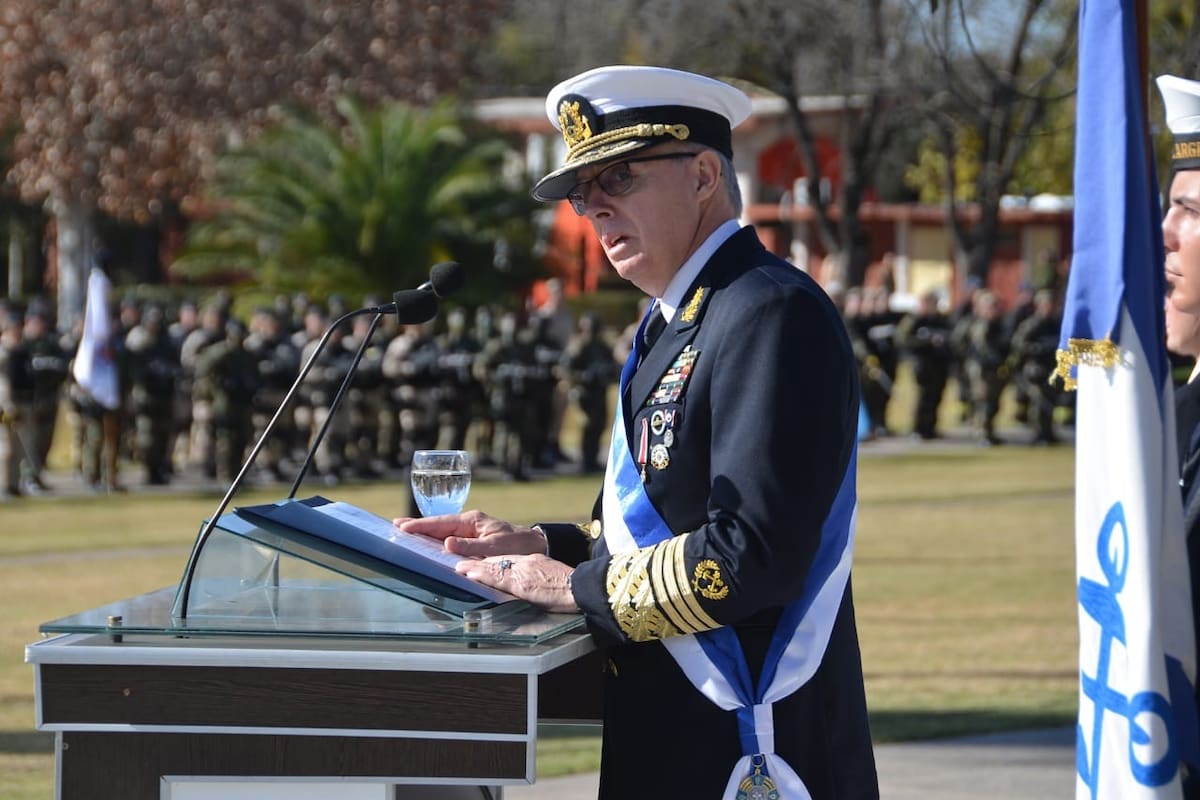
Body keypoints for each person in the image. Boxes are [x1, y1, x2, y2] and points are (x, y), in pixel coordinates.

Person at [396, 66, 877, 799]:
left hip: (748, 746)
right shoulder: (677, 322)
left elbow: (749, 557)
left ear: (704, 174)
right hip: (669, 733)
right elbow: (657, 525)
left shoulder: (768, 312)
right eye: (584, 194)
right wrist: (538, 545)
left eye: (616, 179)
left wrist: (573, 587)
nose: (594, 209)